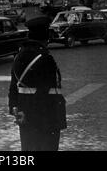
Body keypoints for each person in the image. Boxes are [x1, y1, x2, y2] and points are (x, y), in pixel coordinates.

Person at [8, 15, 67, 151]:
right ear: (45, 36)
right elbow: (47, 89)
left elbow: (13, 86)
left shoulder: (19, 56)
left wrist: (14, 108)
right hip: (47, 116)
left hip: (24, 113)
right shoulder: (45, 58)